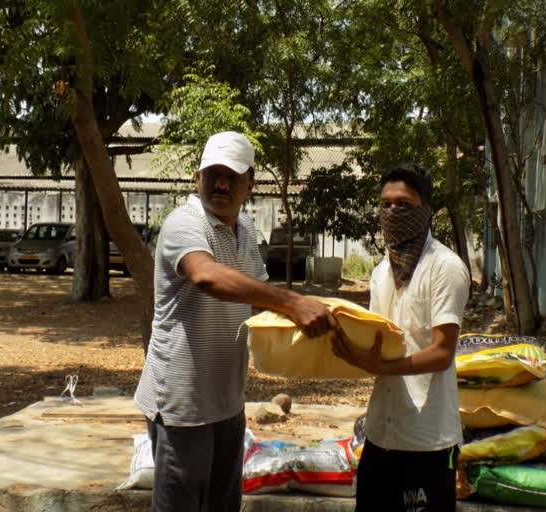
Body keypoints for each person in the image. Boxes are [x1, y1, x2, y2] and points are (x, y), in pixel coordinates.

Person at [134, 131, 337, 512]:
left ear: (250, 184)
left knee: (224, 503)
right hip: (182, 403)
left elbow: (256, 299)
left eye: (231, 176)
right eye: (212, 174)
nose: (221, 184)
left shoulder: (244, 230)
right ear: (198, 178)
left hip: (227, 400)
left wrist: (322, 323)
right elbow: (206, 276)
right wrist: (293, 301)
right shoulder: (184, 223)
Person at [332, 162, 470, 512]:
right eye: (386, 204)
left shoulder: (445, 267)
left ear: (426, 211)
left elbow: (442, 352)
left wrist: (379, 364)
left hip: (428, 441)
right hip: (380, 433)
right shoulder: (380, 273)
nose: (392, 212)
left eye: (404, 205)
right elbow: (379, 341)